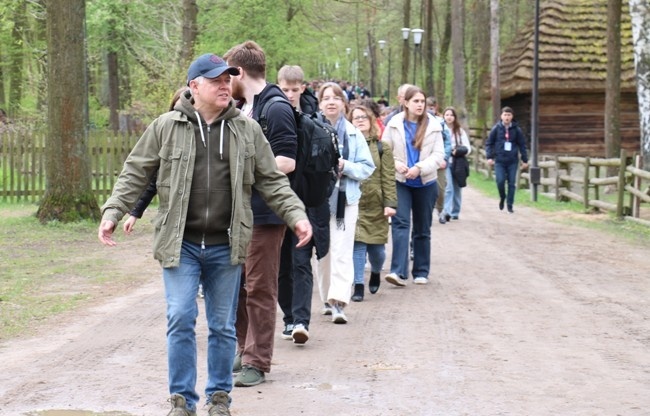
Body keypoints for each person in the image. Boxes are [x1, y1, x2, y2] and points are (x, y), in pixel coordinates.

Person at [97, 53, 312, 416]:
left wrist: (296, 215)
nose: (225, 85)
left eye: (228, 79)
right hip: (180, 244)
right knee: (180, 316)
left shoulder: (247, 129)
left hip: (226, 245)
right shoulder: (166, 126)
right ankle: (182, 400)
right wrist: (113, 211)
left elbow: (272, 181)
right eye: (215, 80)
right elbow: (135, 171)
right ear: (194, 86)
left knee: (223, 326)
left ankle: (218, 398)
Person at [223, 40, 299, 387]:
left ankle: (258, 361)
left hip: (266, 214)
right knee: (237, 285)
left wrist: (243, 172)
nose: (225, 81)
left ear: (240, 71)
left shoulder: (275, 106)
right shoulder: (244, 105)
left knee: (260, 287)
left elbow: (286, 161)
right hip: (238, 213)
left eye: (228, 74)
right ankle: (243, 349)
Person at [276, 64, 330, 345]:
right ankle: (287, 318)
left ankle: (300, 320)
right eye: (284, 89)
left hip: (306, 200)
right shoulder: (270, 114)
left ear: (302, 88)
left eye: (294, 90)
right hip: (277, 200)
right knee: (282, 264)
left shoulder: (313, 118)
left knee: (301, 262)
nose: (289, 95)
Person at [314, 82, 375, 323]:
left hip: (344, 201)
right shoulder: (312, 129)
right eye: (326, 97)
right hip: (317, 201)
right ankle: (327, 298)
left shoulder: (353, 133)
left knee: (341, 250)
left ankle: (339, 300)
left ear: (343, 103)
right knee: (324, 253)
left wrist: (345, 166)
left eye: (336, 97)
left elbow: (367, 166)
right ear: (320, 103)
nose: (331, 101)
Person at [381, 86, 446, 287]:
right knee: (400, 223)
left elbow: (438, 156)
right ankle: (397, 271)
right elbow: (384, 150)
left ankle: (421, 270)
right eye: (415, 101)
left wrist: (419, 168)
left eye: (422, 101)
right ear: (406, 103)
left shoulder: (434, 126)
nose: (420, 105)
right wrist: (396, 164)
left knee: (422, 227)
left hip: (425, 182)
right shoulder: (393, 124)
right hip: (401, 181)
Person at [348, 104, 397, 301]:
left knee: (377, 250)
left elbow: (388, 177)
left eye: (363, 117)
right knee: (357, 244)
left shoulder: (381, 147)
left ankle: (376, 271)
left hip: (376, 203)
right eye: (355, 117)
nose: (360, 120)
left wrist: (390, 203)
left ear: (371, 121)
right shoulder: (346, 144)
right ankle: (358, 284)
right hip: (354, 201)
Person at [485, 106, 529, 213]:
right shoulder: (496, 128)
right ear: (501, 116)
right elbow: (489, 143)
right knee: (500, 181)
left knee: (511, 183)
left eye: (509, 115)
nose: (507, 117)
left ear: (512, 116)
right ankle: (502, 197)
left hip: (512, 160)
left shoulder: (517, 130)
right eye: (505, 115)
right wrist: (489, 157)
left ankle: (510, 205)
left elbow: (522, 145)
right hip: (499, 160)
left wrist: (525, 159)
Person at [441, 106, 472, 221]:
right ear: (443, 116)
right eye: (447, 115)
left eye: (451, 115)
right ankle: (447, 211)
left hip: (458, 163)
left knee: (457, 187)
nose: (449, 117)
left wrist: (458, 151)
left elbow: (468, 148)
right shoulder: (440, 130)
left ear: (455, 117)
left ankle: (455, 211)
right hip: (445, 162)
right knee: (448, 187)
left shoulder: (460, 131)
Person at [427, 96, 452, 224]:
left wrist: (444, 158)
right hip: (425, 162)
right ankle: (426, 212)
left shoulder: (441, 122)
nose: (429, 110)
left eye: (431, 108)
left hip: (439, 162)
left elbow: (448, 142)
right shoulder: (420, 122)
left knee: (441, 189)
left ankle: (441, 210)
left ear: (435, 108)